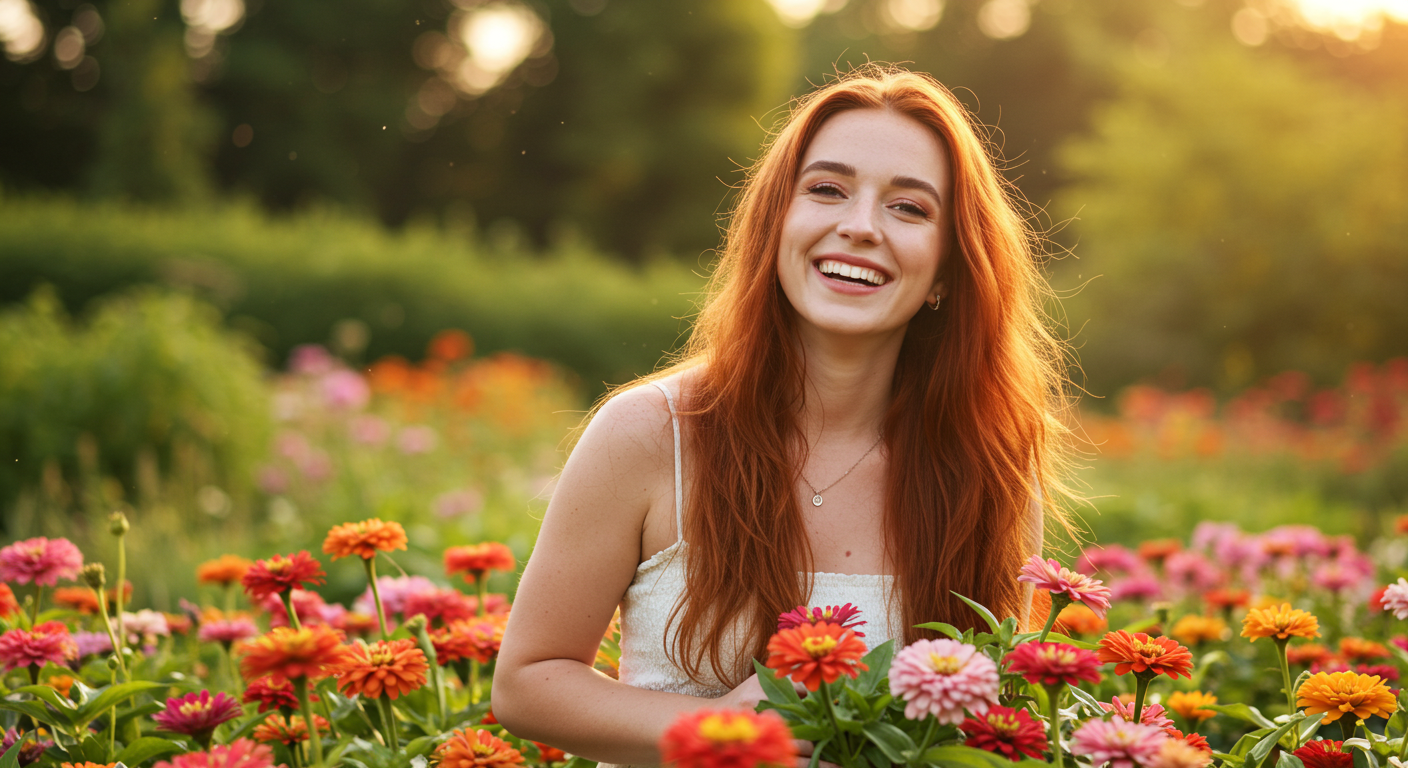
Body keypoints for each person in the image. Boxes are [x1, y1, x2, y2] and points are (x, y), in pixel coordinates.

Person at [493, 65, 1072, 767]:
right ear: (776, 225)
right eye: (827, 189)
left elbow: (995, 718)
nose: (858, 227)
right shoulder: (650, 433)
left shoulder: (991, 469)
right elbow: (526, 684)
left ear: (948, 272)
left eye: (910, 208)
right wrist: (712, 728)